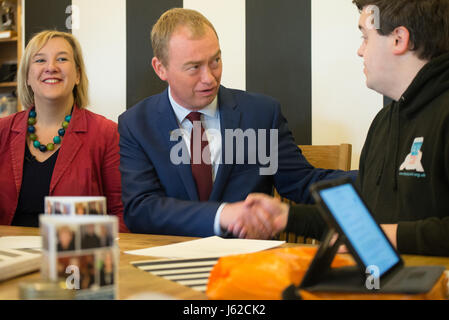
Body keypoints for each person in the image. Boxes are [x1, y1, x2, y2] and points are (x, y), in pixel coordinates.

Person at [118, 8, 356, 237]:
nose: (209, 78)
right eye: (194, 67)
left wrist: (383, 180)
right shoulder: (137, 124)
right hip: (165, 263)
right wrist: (222, 214)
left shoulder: (260, 114)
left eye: (215, 61)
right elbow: (141, 209)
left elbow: (302, 183)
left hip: (248, 261)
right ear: (161, 68)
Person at [237, 0, 449, 256]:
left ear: (398, 40)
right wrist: (288, 217)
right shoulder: (384, 121)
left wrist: (388, 236)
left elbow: (380, 233)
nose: (360, 51)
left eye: (365, 37)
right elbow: (360, 219)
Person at [0, 30, 128, 232]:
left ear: (77, 75)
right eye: (40, 60)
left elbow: (121, 214)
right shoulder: (2, 131)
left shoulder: (106, 133)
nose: (51, 67)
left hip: (75, 259)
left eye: (62, 59)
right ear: (27, 77)